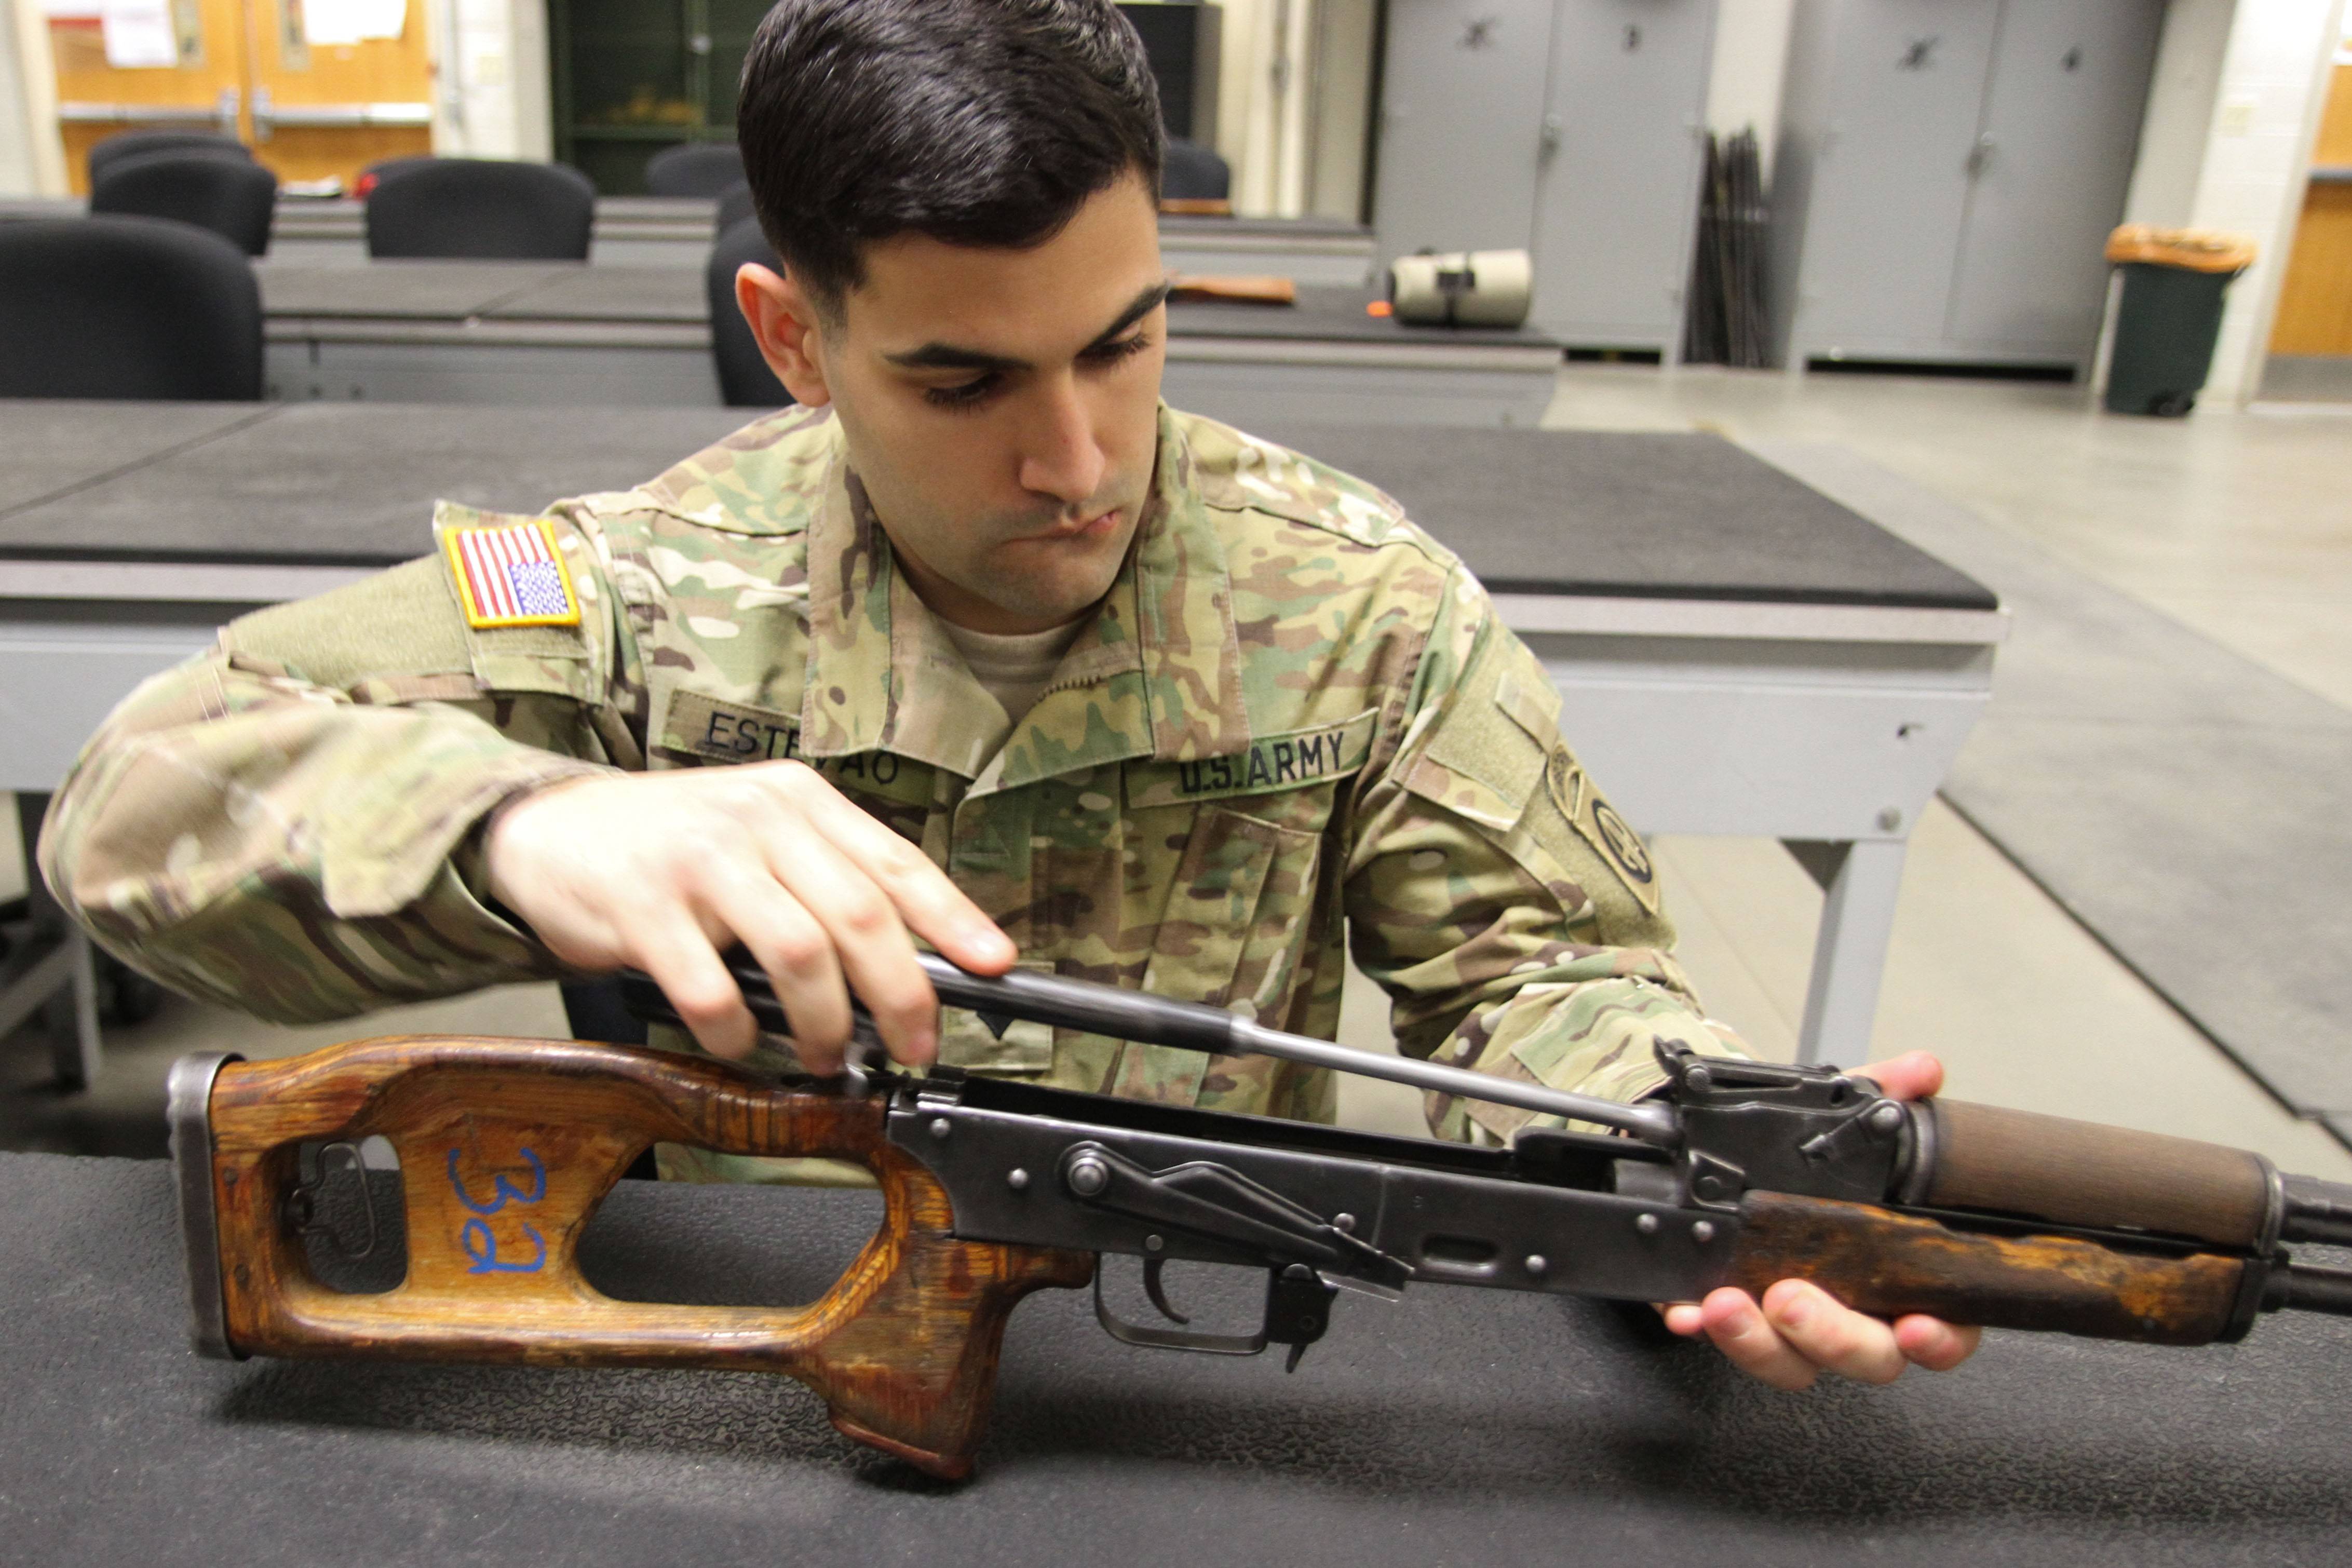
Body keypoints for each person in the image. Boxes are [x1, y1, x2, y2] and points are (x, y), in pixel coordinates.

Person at [37, 0, 1974, 1393]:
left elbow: (1537, 975)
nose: (1077, 458)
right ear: (794, 338)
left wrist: (1670, 1142)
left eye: (1122, 344)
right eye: (965, 383)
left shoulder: (1353, 600)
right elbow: (131, 805)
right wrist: (530, 822)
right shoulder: (643, 597)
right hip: (760, 1348)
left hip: (1216, 1360)